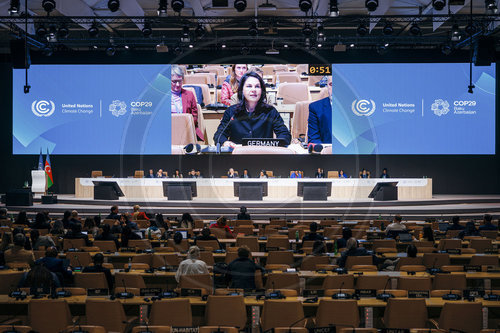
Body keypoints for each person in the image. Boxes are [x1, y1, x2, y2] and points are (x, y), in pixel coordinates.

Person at [213, 71, 291, 146]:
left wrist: (276, 144)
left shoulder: (270, 111)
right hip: (238, 156)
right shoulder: (231, 112)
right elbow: (219, 136)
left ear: (262, 90)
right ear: (242, 90)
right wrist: (225, 142)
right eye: (249, 86)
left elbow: (285, 135)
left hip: (263, 156)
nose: (253, 90)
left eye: (257, 86)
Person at [171, 65, 204, 141]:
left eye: (180, 81)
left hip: (187, 130)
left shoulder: (189, 94)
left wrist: (183, 125)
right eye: (174, 81)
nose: (178, 84)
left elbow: (194, 117)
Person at [307, 76, 333, 144]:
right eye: (331, 85)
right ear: (327, 86)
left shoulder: (357, 108)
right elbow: (313, 139)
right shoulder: (315, 108)